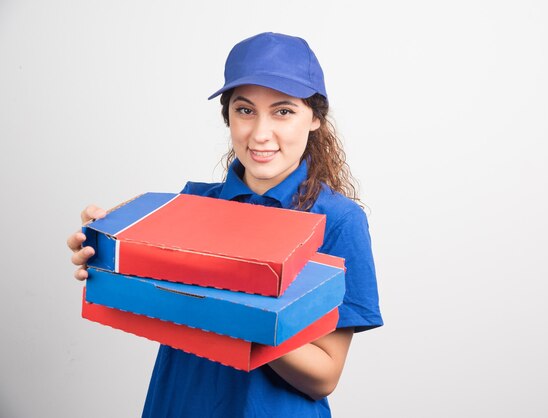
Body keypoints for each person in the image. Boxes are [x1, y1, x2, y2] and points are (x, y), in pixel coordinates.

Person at [67, 32, 383, 417]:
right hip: (179, 404)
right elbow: (154, 307)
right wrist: (109, 256)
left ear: (315, 118)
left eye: (283, 111)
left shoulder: (338, 221)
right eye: (245, 110)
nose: (260, 134)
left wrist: (230, 311)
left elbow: (325, 375)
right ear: (228, 115)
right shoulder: (188, 203)